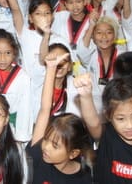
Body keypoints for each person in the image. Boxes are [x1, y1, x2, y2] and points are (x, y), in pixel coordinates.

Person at [75, 76, 132, 183]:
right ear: (108, 116)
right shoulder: (107, 136)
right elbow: (93, 124)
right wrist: (86, 96)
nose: (130, 125)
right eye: (121, 119)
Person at [27, 51, 94, 183]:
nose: (46, 147)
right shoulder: (39, 155)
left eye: (55, 145)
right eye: (46, 139)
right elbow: (45, 110)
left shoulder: (84, 178)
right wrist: (51, 69)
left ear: (73, 153)